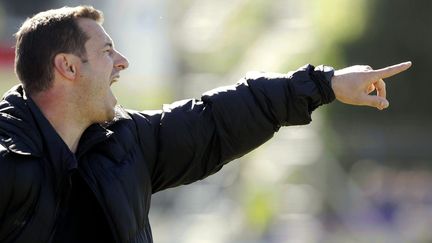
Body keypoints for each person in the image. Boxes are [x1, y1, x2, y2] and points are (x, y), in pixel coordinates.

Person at [0, 5, 411, 243]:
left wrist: (326, 84)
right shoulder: (7, 159)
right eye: (107, 50)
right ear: (68, 67)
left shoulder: (125, 141)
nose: (122, 61)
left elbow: (216, 120)